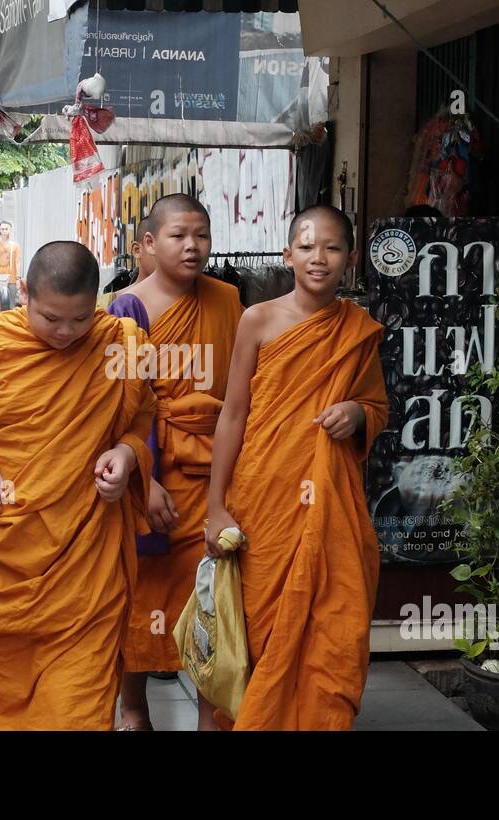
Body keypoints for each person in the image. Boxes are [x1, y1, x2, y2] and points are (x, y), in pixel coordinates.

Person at [0, 241, 156, 730]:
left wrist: (127, 455)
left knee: (80, 712)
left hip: (84, 566)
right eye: (51, 318)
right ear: (24, 294)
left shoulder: (123, 346)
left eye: (80, 319)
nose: (67, 332)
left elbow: (143, 416)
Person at [205, 204, 390, 730]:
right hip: (264, 500)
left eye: (332, 248)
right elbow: (233, 413)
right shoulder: (257, 320)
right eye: (307, 247)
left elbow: (376, 407)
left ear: (350, 260)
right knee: (262, 628)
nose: (319, 258)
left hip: (329, 506)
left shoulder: (356, 330)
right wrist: (215, 507)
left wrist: (355, 413)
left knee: (332, 630)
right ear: (287, 255)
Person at [106, 194, 242, 731]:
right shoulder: (122, 312)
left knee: (215, 605)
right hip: (151, 482)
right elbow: (116, 408)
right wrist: (145, 481)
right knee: (141, 602)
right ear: (147, 244)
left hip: (215, 479)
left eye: (202, 235)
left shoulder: (231, 301)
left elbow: (240, 397)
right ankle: (134, 706)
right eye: (178, 235)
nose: (192, 246)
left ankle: (215, 711)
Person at [0, 220, 22, 289]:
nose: (4, 231)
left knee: (12, 299)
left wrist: (18, 278)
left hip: (12, 279)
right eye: (2, 229)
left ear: (10, 230)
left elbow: (17, 262)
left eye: (6, 229)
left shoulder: (15, 245)